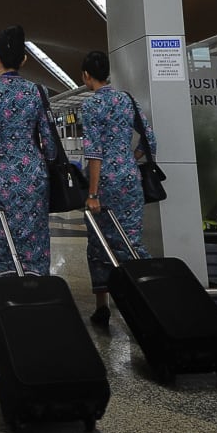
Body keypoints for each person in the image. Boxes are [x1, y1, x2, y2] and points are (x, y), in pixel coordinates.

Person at [80, 50, 157, 327]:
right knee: (132, 239)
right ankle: (150, 294)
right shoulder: (127, 100)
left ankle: (103, 307)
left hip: (105, 184)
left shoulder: (90, 107)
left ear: (87, 75)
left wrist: (92, 193)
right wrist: (129, 159)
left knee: (99, 242)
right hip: (129, 179)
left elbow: (95, 153)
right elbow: (149, 139)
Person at [0, 25, 57, 277]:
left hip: (2, 178)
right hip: (34, 174)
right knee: (36, 238)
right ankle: (38, 290)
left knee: (3, 238)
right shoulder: (38, 91)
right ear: (23, 59)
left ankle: (9, 295)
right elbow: (50, 142)